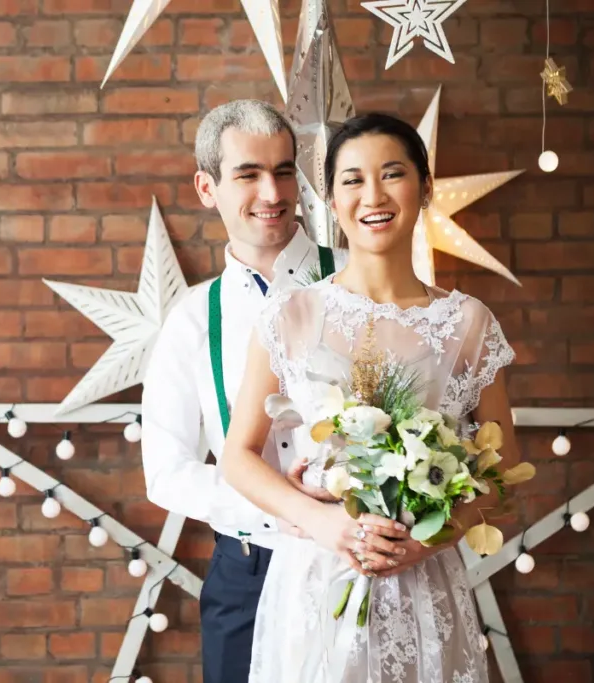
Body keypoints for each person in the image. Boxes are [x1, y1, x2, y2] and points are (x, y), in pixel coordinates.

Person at [220, 112, 520, 682]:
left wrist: (428, 542)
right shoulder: (291, 314)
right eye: (352, 180)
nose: (372, 196)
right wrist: (323, 523)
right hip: (316, 578)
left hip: (424, 589)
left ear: (425, 187)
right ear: (331, 201)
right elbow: (237, 458)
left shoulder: (467, 322)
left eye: (392, 174)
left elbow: (502, 480)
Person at [140, 99, 347, 683]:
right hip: (248, 572)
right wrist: (286, 510)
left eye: (284, 170)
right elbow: (167, 470)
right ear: (207, 188)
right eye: (248, 174)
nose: (272, 192)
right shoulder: (190, 319)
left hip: (358, 562)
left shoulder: (360, 277)